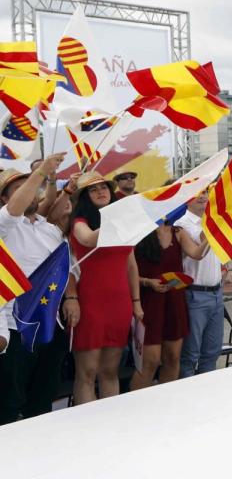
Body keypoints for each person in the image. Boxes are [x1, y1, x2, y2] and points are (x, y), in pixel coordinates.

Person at [0, 156, 79, 423]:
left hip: (50, 324)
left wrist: (71, 297)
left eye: (33, 187)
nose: (31, 192)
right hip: (16, 328)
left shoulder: (51, 230)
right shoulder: (4, 225)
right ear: (4, 199)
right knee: (11, 402)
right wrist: (42, 172)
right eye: (21, 188)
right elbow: (14, 209)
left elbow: (64, 267)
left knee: (43, 397)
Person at [68, 171, 142, 404]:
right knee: (87, 373)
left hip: (119, 304)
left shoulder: (122, 225)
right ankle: (88, 427)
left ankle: (112, 423)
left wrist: (136, 302)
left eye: (104, 187)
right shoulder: (79, 222)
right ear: (85, 196)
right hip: (90, 303)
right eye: (93, 189)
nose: (101, 191)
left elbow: (131, 265)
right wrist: (116, 221)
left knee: (110, 371)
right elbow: (88, 239)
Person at [128, 215, 205, 390]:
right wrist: (148, 282)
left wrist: (210, 238)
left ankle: (166, 404)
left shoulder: (177, 232)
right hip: (148, 301)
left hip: (174, 300)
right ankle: (133, 408)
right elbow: (128, 273)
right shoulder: (138, 233)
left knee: (172, 357)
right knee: (150, 361)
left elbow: (197, 253)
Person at [178, 189, 225, 377]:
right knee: (190, 355)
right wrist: (214, 224)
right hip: (195, 295)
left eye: (205, 192)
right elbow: (200, 248)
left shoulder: (212, 220)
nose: (202, 196)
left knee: (212, 352)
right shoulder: (182, 225)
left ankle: (209, 395)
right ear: (186, 200)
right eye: (196, 193)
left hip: (216, 294)